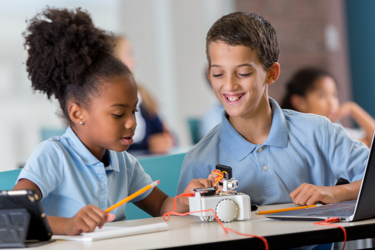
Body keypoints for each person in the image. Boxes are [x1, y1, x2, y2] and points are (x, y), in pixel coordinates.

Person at [13, 7, 210, 236]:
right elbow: (15, 213)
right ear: (78, 114)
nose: (131, 123)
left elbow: (163, 207)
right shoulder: (53, 155)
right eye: (118, 114)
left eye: (134, 112)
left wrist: (187, 200)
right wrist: (67, 225)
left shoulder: (124, 162)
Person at [177, 12, 368, 209]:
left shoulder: (319, 131)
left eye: (243, 73)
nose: (229, 85)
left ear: (272, 73)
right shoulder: (199, 159)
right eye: (218, 74)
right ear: (210, 75)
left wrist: (336, 192)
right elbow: (183, 226)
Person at [280, 67, 375, 147]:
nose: (331, 102)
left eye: (334, 95)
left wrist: (352, 108)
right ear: (300, 102)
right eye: (322, 95)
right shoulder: (297, 141)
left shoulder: (336, 131)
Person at [113, 36, 175, 155]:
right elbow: (108, 149)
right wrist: (148, 145)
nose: (134, 62)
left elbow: (168, 135)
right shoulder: (106, 105)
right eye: (128, 54)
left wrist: (167, 140)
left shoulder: (142, 96)